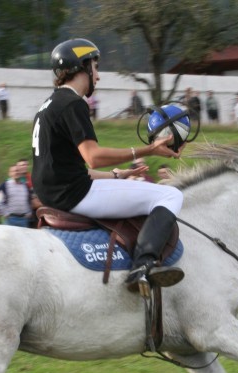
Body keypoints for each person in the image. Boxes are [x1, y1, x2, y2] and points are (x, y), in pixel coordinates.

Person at [32, 38, 184, 292]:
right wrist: (149, 149)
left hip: (54, 193)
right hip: (75, 195)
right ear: (82, 66)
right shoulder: (73, 103)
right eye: (95, 67)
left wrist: (115, 175)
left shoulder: (47, 106)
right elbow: (93, 155)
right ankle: (142, 267)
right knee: (170, 195)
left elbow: (69, 166)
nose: (98, 76)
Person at [0, 163, 33, 227]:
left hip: (24, 220)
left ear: (21, 173)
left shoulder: (25, 186)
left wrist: (29, 212)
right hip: (10, 219)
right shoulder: (3, 186)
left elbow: (28, 201)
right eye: (13, 171)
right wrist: (6, 214)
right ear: (9, 174)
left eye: (17, 171)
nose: (16, 173)